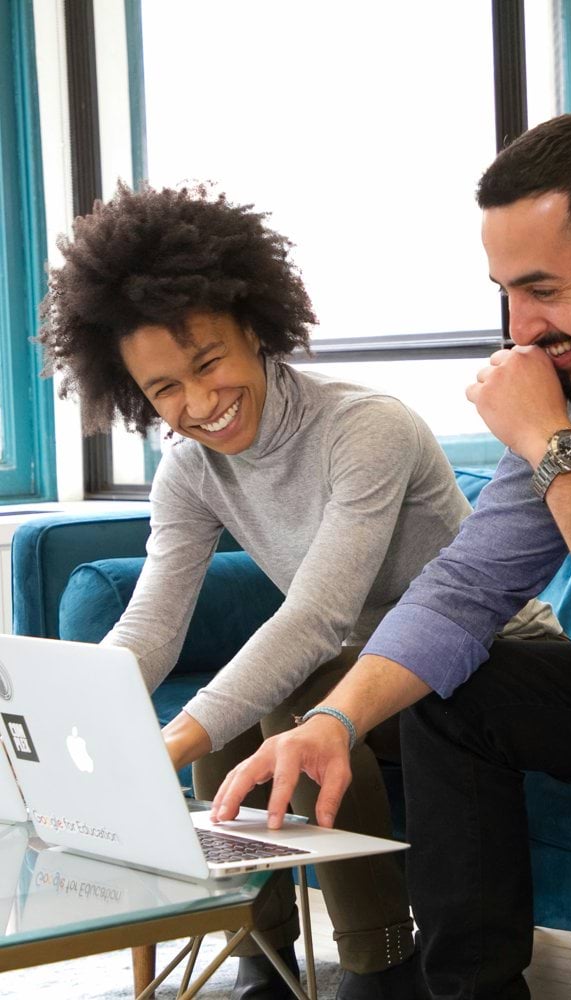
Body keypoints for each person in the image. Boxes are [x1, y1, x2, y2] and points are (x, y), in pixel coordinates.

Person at [211, 112, 571, 1000]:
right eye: (504, 290)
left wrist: (553, 446)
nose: (520, 326)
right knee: (458, 693)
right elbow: (466, 586)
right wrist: (333, 722)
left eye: (543, 289)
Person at [37, 182, 480, 1000]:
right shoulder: (189, 471)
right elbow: (151, 626)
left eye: (208, 363)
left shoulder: (365, 428)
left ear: (257, 329)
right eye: (166, 389)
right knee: (246, 708)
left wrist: (169, 743)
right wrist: (73, 710)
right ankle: (258, 953)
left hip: (479, 665)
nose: (199, 404)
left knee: (289, 697)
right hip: (360, 675)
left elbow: (317, 619)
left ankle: (382, 967)